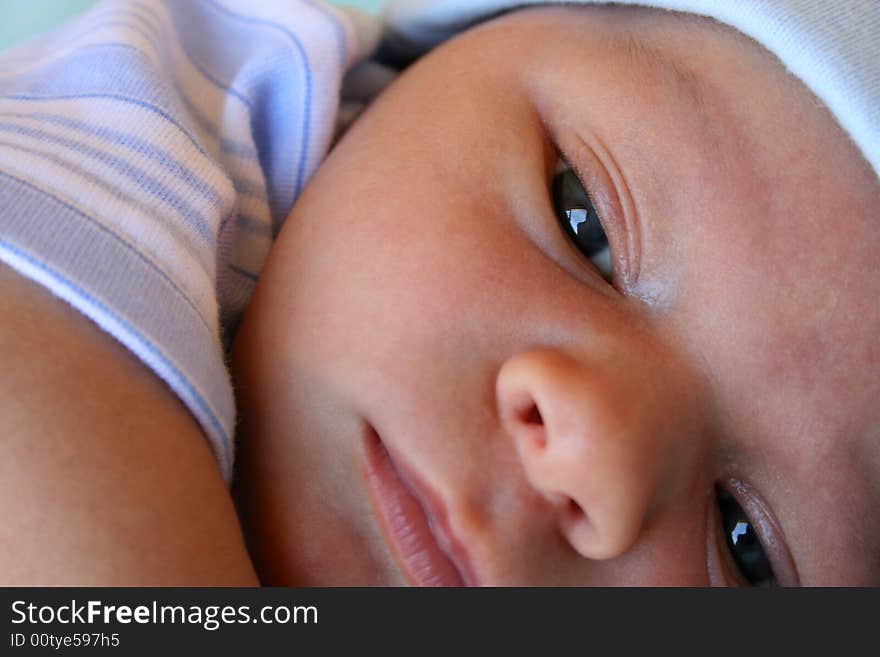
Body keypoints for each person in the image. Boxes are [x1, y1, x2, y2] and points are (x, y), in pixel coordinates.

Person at [0, 0, 877, 586]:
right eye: (585, 224)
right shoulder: (178, 116)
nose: (589, 455)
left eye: (745, 548)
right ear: (442, 49)